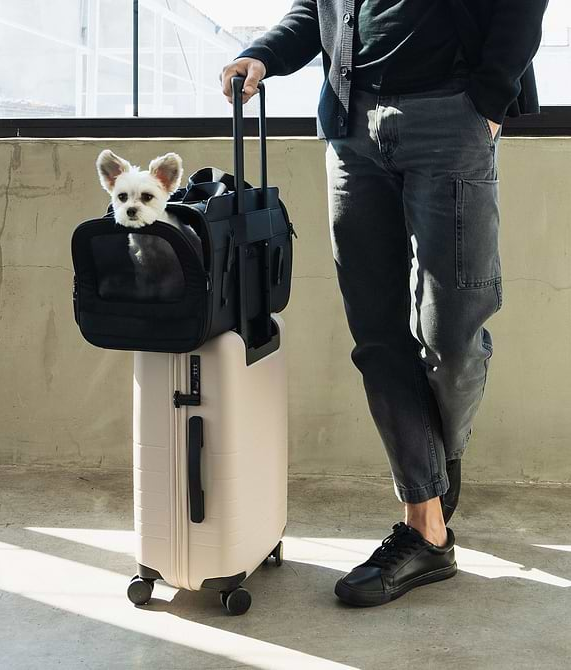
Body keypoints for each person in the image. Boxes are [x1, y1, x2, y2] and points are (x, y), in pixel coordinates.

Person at [220, 0, 549, 607]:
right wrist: (262, 55)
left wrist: (489, 100)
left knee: (452, 336)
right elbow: (311, 12)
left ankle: (437, 459)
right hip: (351, 128)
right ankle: (424, 525)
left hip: (452, 116)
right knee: (376, 336)